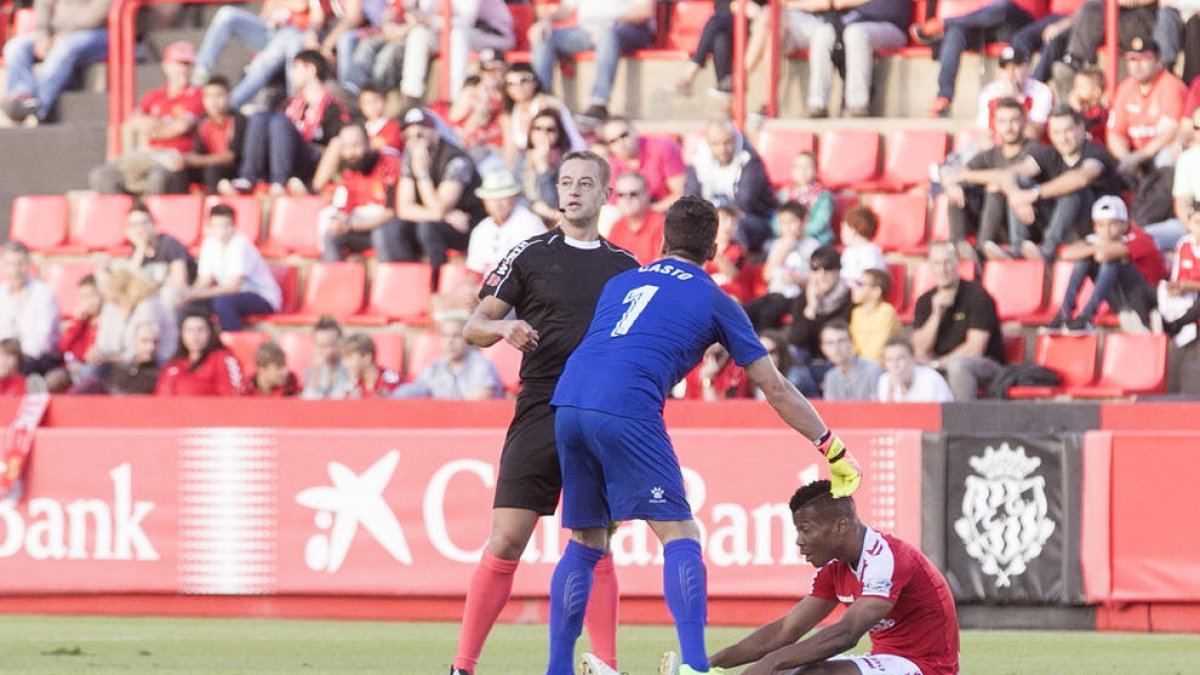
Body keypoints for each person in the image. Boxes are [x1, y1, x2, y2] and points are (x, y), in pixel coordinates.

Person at [545, 195, 861, 675]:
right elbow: (773, 387)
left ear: (664, 239)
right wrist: (831, 447)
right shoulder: (715, 299)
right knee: (680, 533)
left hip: (569, 401)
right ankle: (696, 667)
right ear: (712, 248)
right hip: (626, 403)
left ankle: (556, 670)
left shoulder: (621, 282)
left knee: (586, 541)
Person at [451, 151, 640, 675]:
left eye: (585, 183)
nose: (573, 190)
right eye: (565, 182)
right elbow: (473, 325)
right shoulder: (529, 254)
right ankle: (462, 666)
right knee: (507, 538)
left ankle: (606, 664)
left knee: (593, 542)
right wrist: (504, 328)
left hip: (598, 415)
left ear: (605, 195)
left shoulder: (625, 268)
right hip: (539, 408)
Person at [691, 480, 959, 675]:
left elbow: (847, 633)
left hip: (928, 667)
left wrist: (771, 662)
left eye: (805, 529)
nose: (799, 541)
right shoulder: (834, 567)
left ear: (840, 525)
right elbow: (787, 629)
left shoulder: (886, 558)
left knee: (810, 674)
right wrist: (710, 663)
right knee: (787, 671)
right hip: (888, 661)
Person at [999, 105, 1126, 262]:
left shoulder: (1096, 152)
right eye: (1056, 132)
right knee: (1020, 182)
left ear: (1081, 128)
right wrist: (1016, 196)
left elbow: (1081, 178)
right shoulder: (1049, 153)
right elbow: (1008, 174)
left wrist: (1033, 194)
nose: (1062, 138)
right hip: (1057, 223)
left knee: (1072, 189)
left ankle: (1047, 251)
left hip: (1093, 228)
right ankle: (1017, 249)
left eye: (1068, 131)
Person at [222, 50, 349, 196]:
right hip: (280, 156)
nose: (291, 74)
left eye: (296, 68)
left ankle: (280, 182)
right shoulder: (288, 103)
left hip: (310, 161)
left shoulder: (333, 107)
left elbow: (335, 147)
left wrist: (296, 139)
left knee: (279, 122)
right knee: (259, 117)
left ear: (311, 70)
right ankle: (247, 178)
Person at [89, 41, 203, 196]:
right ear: (166, 66)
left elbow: (180, 127)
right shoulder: (154, 95)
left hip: (176, 156)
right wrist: (165, 124)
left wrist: (153, 127)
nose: (183, 69)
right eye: (178, 64)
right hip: (148, 153)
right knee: (102, 175)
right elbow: (134, 121)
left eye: (188, 64)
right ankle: (130, 215)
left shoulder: (198, 95)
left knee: (158, 177)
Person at [1106, 37, 1188, 253]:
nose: (1137, 64)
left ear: (1158, 60)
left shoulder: (1170, 86)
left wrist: (1137, 157)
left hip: (1157, 153)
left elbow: (1171, 133)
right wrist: (1126, 157)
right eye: (1132, 59)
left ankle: (1141, 223)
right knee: (1107, 164)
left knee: (1167, 160)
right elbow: (1115, 133)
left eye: (1144, 59)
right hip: (1135, 156)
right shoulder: (1125, 89)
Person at [395, 107, 487, 289]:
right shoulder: (411, 157)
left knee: (428, 228)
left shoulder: (456, 160)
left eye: (420, 134)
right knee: (392, 229)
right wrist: (442, 214)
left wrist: (422, 174)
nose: (414, 142)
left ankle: (436, 286)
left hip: (468, 223)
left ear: (435, 132)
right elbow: (403, 208)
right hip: (446, 218)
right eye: (409, 137)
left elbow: (438, 208)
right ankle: (404, 288)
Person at [940, 97, 1038, 261]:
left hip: (1025, 223)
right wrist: (952, 184)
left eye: (1014, 120)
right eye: (1002, 121)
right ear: (995, 124)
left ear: (1024, 120)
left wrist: (963, 176)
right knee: (956, 193)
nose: (1008, 127)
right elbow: (952, 174)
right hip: (992, 221)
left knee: (995, 186)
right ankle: (957, 246)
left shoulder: (1035, 149)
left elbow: (1004, 176)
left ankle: (981, 248)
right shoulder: (991, 154)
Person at [1048, 196, 1166, 332]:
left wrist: (1094, 247)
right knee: (1083, 260)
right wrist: (1093, 247)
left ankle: (1087, 317)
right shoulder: (1098, 239)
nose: (1106, 230)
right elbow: (1066, 254)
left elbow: (1103, 255)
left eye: (1112, 224)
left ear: (1124, 223)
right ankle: (1064, 312)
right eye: (1101, 225)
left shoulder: (1140, 237)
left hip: (1147, 299)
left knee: (1110, 260)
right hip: (1122, 300)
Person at [529, 0, 657, 124]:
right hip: (587, 32)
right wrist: (545, 21)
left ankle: (599, 104)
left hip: (628, 29)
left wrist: (612, 22)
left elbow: (645, 10)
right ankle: (541, 100)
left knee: (607, 34)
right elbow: (566, 8)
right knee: (543, 36)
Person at [778, 0, 909, 118]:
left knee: (856, 34)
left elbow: (838, 3)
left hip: (892, 27)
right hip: (856, 23)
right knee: (822, 34)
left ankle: (857, 105)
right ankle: (817, 104)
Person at [911, 242, 1006, 401]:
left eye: (947, 262)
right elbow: (919, 347)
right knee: (903, 363)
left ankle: (962, 422)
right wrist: (936, 315)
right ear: (930, 266)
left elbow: (975, 349)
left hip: (986, 365)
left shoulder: (977, 295)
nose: (942, 269)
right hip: (942, 362)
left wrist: (936, 364)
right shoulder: (925, 301)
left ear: (957, 263)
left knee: (957, 366)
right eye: (937, 263)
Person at [917, 0, 1039, 118]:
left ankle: (944, 24)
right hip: (983, 26)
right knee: (956, 32)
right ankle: (943, 97)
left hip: (1015, 24)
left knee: (1003, 5)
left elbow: (1003, 8)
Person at [191, 0, 316, 108]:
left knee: (265, 62)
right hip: (269, 30)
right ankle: (201, 73)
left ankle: (231, 104)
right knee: (226, 14)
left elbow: (302, 5)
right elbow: (267, 12)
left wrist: (281, 4)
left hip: (294, 32)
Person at [2, 0, 109, 124]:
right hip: (55, 34)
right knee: (16, 46)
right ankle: (21, 96)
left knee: (64, 48)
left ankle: (40, 107)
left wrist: (66, 34)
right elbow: (43, 5)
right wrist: (43, 36)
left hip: (97, 32)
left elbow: (99, 13)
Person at [182, 204, 283, 332]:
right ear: (210, 227)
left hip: (262, 297)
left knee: (223, 303)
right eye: (217, 226)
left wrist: (195, 294)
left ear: (234, 225)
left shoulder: (240, 244)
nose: (222, 231)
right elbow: (204, 280)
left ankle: (233, 343)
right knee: (193, 305)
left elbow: (233, 287)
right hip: (235, 296)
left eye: (226, 226)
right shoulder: (209, 244)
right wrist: (189, 295)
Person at [683, 118, 777, 252]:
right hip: (711, 217)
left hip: (753, 219)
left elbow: (745, 203)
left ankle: (735, 269)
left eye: (727, 143)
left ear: (735, 139)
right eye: (716, 144)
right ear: (708, 143)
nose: (722, 149)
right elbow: (689, 198)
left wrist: (718, 217)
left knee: (732, 227)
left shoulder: (749, 159)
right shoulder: (698, 159)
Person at [398, 0, 515, 105]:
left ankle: (455, 97)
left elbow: (465, 21)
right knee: (419, 33)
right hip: (451, 34)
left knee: (459, 35)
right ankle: (411, 96)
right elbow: (423, 14)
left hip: (494, 35)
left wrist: (428, 20)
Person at [320, 124, 405, 262]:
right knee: (331, 236)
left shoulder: (389, 163)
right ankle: (336, 281)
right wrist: (338, 222)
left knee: (381, 234)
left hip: (390, 228)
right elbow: (344, 208)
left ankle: (388, 281)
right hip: (362, 228)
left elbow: (391, 212)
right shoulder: (349, 170)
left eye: (355, 146)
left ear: (368, 143)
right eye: (345, 147)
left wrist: (353, 225)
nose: (350, 153)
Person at [787, 245, 852, 398]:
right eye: (816, 269)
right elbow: (796, 340)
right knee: (793, 369)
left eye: (827, 269)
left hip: (836, 362)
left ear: (838, 271)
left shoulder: (849, 299)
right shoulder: (803, 299)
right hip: (808, 365)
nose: (821, 275)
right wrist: (811, 307)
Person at [744, 201, 818, 331]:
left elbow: (816, 280)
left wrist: (798, 279)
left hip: (796, 295)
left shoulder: (812, 245)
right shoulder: (777, 244)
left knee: (767, 314)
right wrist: (784, 250)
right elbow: (767, 275)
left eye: (792, 222)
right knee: (745, 312)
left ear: (803, 221)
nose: (787, 227)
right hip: (775, 293)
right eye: (783, 223)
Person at [672, 0, 767, 99]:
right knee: (720, 37)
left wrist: (753, 9)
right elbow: (719, 5)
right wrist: (733, 5)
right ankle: (726, 85)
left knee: (715, 22)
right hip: (729, 21)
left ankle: (693, 69)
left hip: (756, 23)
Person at [466, 169, 549, 278]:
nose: (498, 204)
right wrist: (467, 289)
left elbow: (535, 272)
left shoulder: (529, 223)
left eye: (503, 197)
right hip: (487, 289)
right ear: (484, 201)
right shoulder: (481, 229)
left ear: (514, 197)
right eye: (492, 198)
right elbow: (474, 271)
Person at [392, 318, 502, 400]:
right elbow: (415, 390)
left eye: (456, 336)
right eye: (446, 336)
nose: (450, 341)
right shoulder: (434, 368)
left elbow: (481, 399)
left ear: (468, 340)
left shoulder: (481, 365)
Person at [599, 117, 687, 212]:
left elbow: (681, 194)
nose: (621, 143)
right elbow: (614, 206)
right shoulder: (611, 167)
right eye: (613, 141)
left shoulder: (663, 148)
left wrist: (648, 213)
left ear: (635, 131)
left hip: (670, 212)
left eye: (624, 135)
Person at [0, 242, 60, 374]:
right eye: (10, 264)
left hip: (36, 359)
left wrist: (14, 358)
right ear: (3, 266)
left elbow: (43, 341)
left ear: (28, 265)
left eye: (20, 264)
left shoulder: (44, 294)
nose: (15, 270)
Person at [155, 309, 242, 396]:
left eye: (200, 330)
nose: (195, 336)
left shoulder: (222, 359)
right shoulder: (172, 365)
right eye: (189, 330)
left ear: (210, 332)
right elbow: (161, 398)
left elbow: (234, 396)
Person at [975, 46, 1053, 141]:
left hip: (1031, 149)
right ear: (998, 71)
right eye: (1005, 68)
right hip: (998, 149)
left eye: (1016, 68)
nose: (1011, 74)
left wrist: (1017, 100)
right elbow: (985, 134)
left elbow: (1033, 133)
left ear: (1027, 68)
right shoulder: (988, 93)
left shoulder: (1041, 91)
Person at [184, 76, 246, 193]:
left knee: (212, 171)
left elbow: (230, 157)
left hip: (233, 170)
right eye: (208, 96)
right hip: (208, 167)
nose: (213, 101)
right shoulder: (203, 121)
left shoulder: (238, 120)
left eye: (218, 95)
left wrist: (195, 160)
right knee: (180, 172)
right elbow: (198, 152)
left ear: (228, 97)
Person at [1159, 203, 1200, 341]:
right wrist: (1175, 288)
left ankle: (1176, 325)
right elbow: (1176, 277)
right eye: (1197, 222)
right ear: (1188, 224)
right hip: (1185, 293)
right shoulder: (1184, 244)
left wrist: (1188, 286)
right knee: (1149, 289)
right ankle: (1147, 326)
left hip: (1195, 295)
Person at [606, 172, 665, 265]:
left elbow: (661, 265)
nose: (627, 199)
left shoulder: (661, 224)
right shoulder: (617, 226)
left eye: (633, 194)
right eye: (621, 195)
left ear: (647, 194)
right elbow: (609, 262)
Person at [878, 335, 955, 402]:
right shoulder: (884, 381)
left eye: (900, 358)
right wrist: (890, 393)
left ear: (913, 359)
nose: (895, 365)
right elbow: (883, 417)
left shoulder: (931, 380)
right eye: (890, 360)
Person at [778, 153, 834, 246]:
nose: (803, 171)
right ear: (793, 170)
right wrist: (786, 231)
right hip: (787, 236)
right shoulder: (784, 194)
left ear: (816, 171)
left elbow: (820, 223)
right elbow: (776, 220)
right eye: (799, 167)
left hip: (814, 239)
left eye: (808, 166)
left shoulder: (823, 196)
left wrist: (798, 232)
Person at [820, 320, 882, 401]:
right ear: (823, 348)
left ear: (852, 343)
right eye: (830, 343)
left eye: (841, 341)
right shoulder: (830, 377)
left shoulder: (873, 371)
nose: (836, 348)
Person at [849, 267, 901, 365]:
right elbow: (853, 346)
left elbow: (878, 351)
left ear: (876, 291)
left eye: (859, 284)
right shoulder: (857, 313)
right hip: (860, 365)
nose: (854, 288)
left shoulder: (886, 312)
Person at [300, 315, 350, 399]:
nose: (327, 352)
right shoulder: (312, 371)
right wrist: (316, 372)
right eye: (321, 347)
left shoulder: (349, 367)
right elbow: (307, 400)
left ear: (340, 342)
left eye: (331, 345)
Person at [837, 206, 887, 283]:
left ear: (853, 230)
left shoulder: (871, 253)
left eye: (843, 228)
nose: (841, 233)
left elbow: (870, 280)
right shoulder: (848, 251)